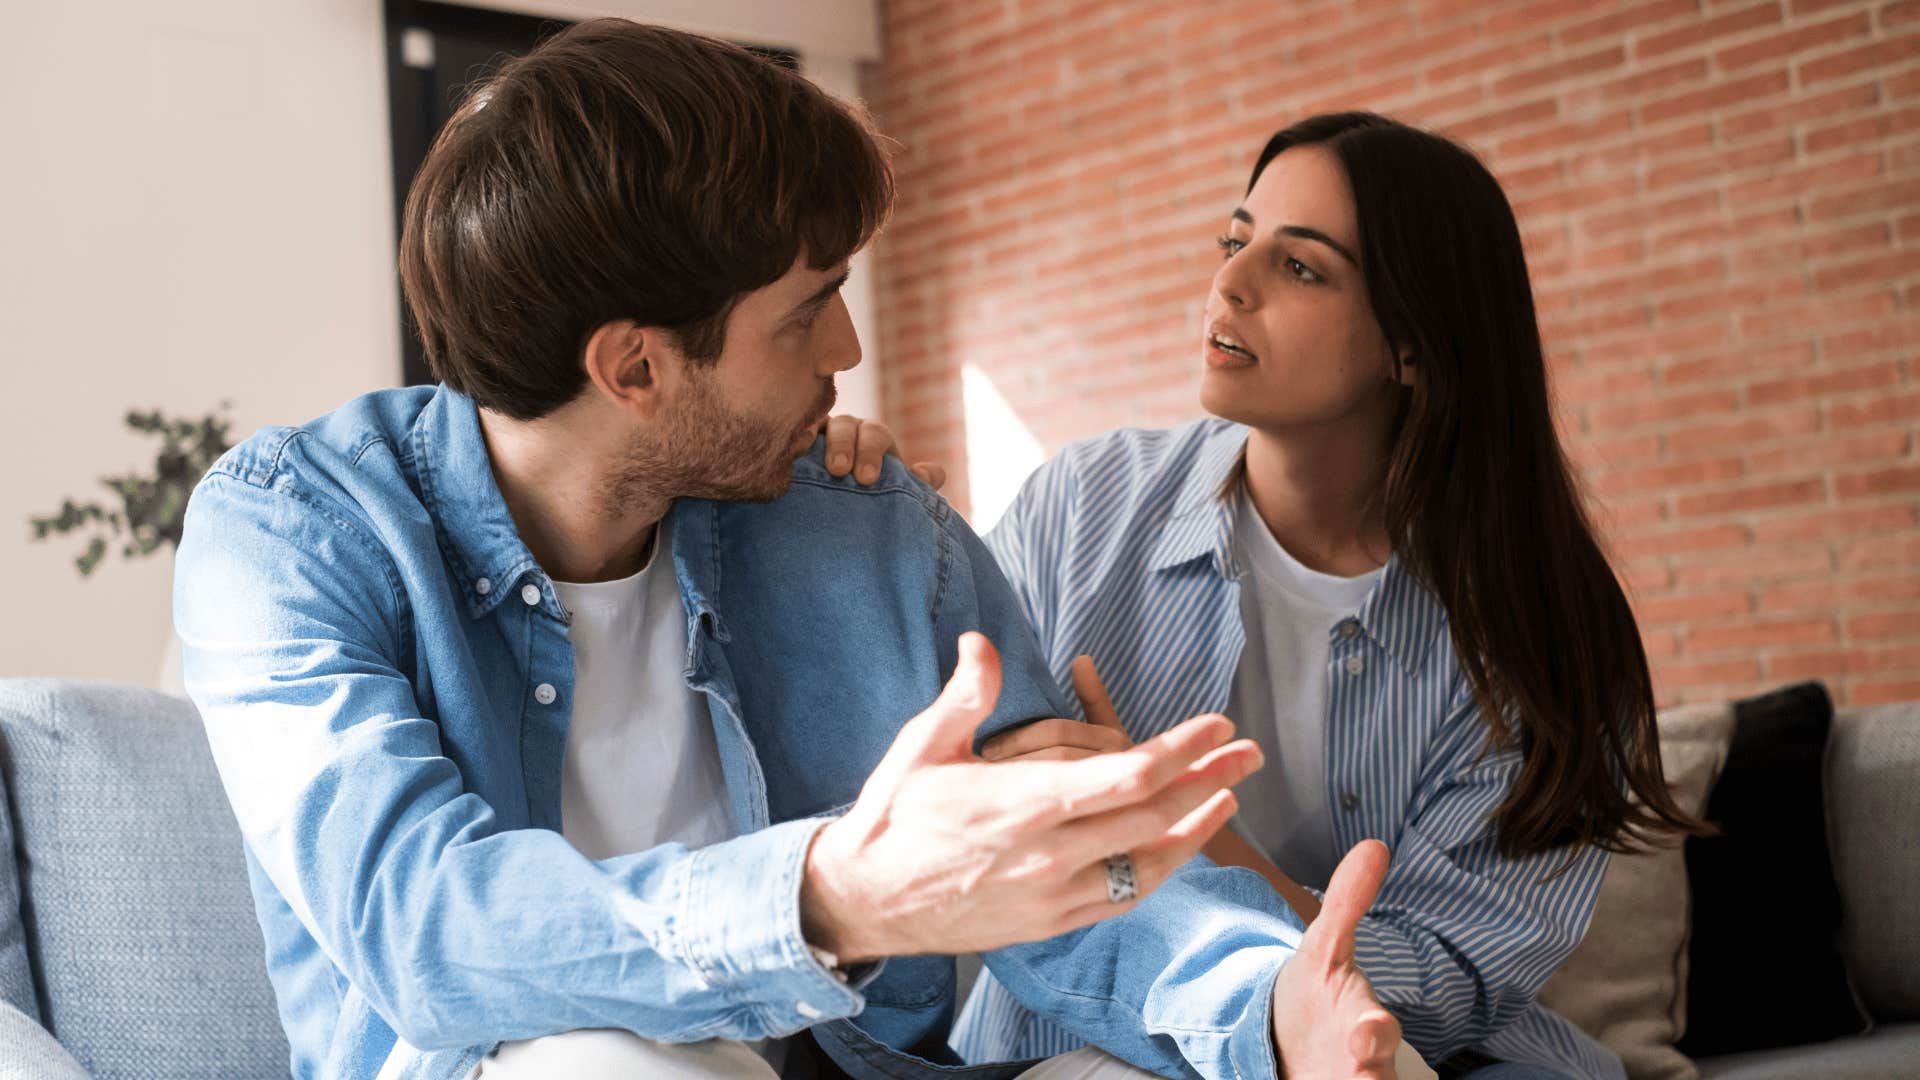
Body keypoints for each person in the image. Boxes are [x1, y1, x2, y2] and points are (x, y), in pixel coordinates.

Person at [174, 24, 1408, 1080]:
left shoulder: (861, 520)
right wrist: (837, 893)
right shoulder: (292, 532)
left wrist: (1267, 1001)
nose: (850, 350)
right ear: (637, 368)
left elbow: (1070, 872)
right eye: (809, 305)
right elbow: (423, 928)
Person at [852, 113, 1703, 1080]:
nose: (1230, 282)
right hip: (1079, 1045)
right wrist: (865, 527)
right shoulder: (1083, 506)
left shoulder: (1538, 637)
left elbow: (1441, 988)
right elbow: (918, 791)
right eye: (1235, 239)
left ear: (1414, 345)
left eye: (1301, 267)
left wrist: (1176, 826)